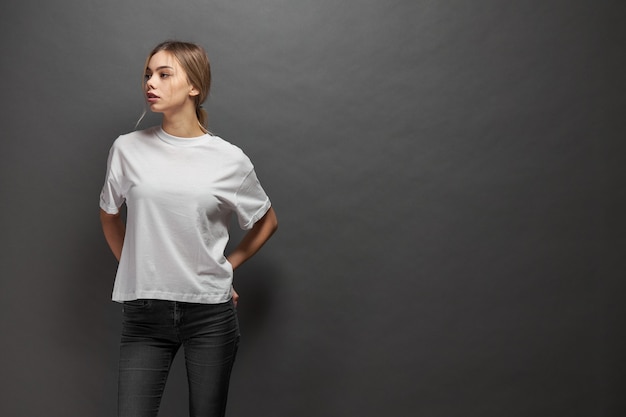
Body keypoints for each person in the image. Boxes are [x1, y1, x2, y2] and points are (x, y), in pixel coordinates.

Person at [99, 40, 278, 417]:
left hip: (209, 314)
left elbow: (267, 221)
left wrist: (228, 266)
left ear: (194, 86)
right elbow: (109, 214)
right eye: (148, 74)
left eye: (164, 74)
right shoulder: (126, 149)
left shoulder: (229, 159)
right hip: (145, 313)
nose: (151, 82)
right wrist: (133, 265)